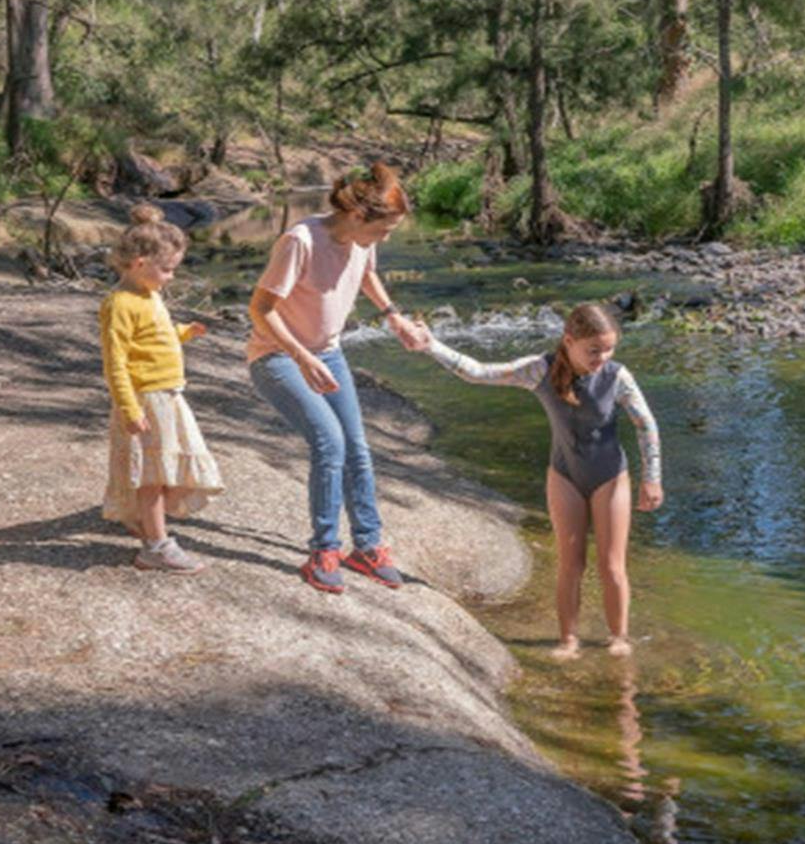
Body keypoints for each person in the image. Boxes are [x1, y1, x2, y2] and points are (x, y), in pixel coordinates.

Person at [411, 303, 663, 657]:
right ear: (569, 341)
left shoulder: (617, 376)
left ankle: (618, 637)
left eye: (609, 349)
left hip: (610, 477)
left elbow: (646, 425)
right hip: (564, 476)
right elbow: (479, 372)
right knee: (570, 563)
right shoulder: (538, 370)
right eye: (594, 350)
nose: (602, 357)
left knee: (611, 564)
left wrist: (652, 479)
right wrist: (431, 345)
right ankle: (568, 640)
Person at [246, 163, 427, 593]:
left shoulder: (362, 241)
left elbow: (366, 274)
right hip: (277, 357)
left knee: (358, 448)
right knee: (330, 442)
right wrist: (302, 356)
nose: (386, 238)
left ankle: (366, 547)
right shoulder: (300, 241)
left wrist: (394, 318)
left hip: (329, 352)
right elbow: (260, 309)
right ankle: (323, 550)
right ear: (358, 217)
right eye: (384, 230)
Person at [99, 205, 223, 574]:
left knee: (177, 470)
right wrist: (129, 408)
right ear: (139, 263)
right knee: (154, 474)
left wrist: (183, 332)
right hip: (145, 400)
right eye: (167, 269)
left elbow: (155, 335)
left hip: (169, 395)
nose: (170, 277)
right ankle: (156, 544)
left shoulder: (149, 294)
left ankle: (145, 518)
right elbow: (116, 362)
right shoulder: (119, 303)